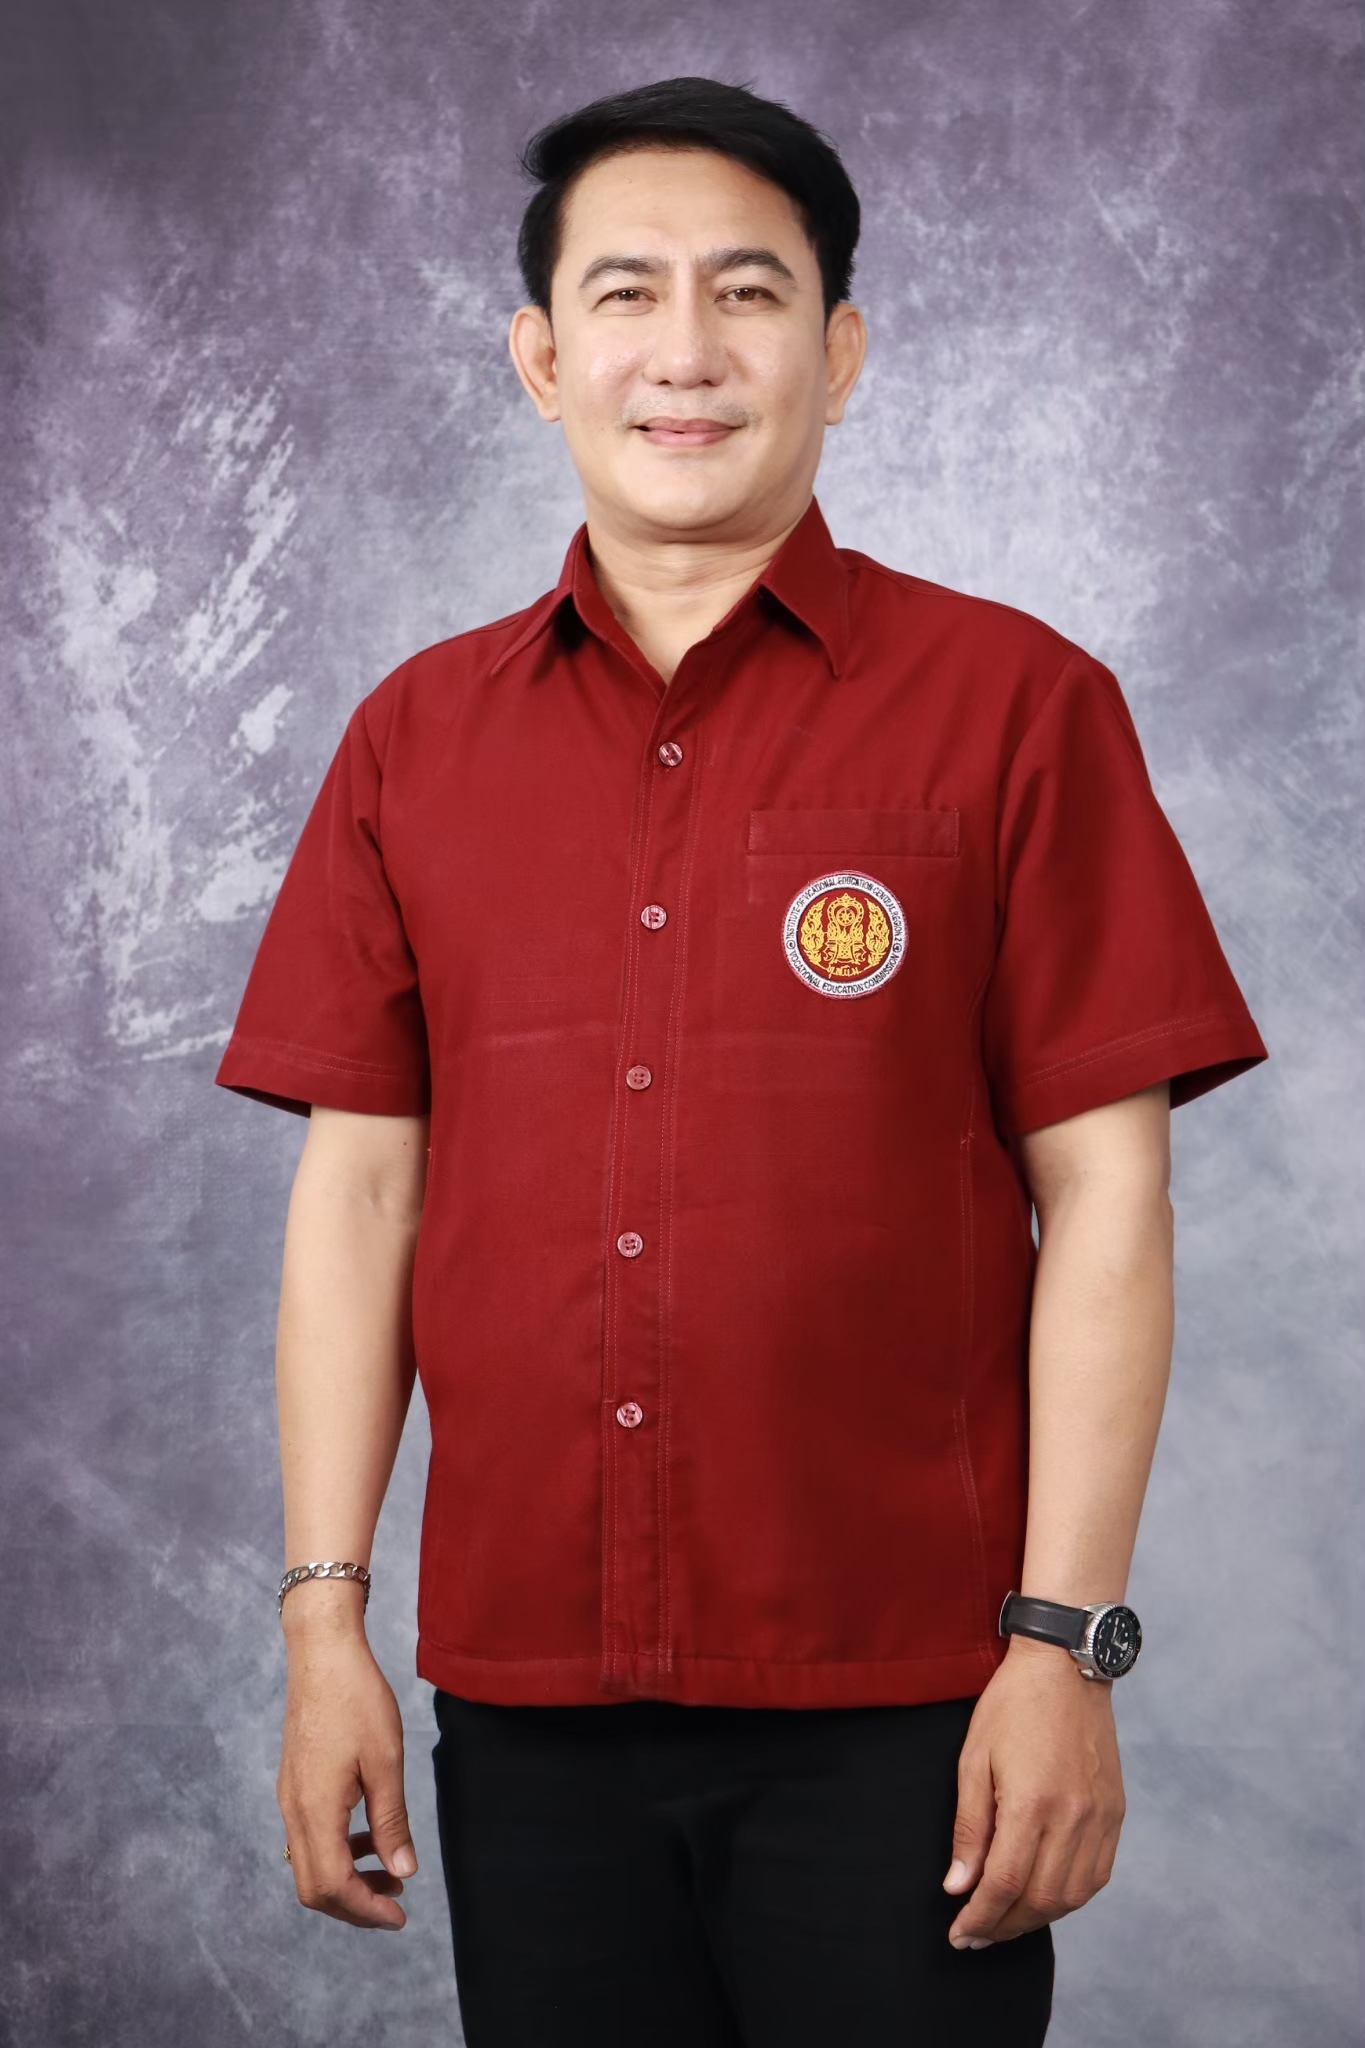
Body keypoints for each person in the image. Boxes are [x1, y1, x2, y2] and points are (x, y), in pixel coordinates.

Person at [214, 74, 1269, 2047]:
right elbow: (358, 1195)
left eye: (748, 292)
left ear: (838, 352)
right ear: (542, 358)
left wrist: (1062, 1645)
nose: (684, 351)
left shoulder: (1016, 708)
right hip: (522, 1701)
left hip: (909, 1699)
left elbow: (1106, 1198)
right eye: (623, 294)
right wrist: (321, 1619)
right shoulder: (412, 741)